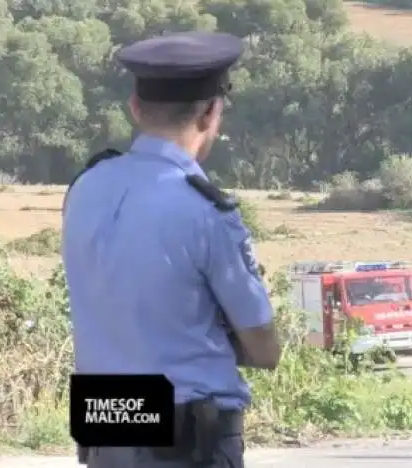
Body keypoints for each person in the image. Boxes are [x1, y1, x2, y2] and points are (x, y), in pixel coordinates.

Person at [62, 31, 281, 468]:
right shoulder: (203, 210)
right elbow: (264, 349)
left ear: (135, 107)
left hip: (105, 428)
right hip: (187, 446)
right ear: (211, 113)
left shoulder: (84, 189)